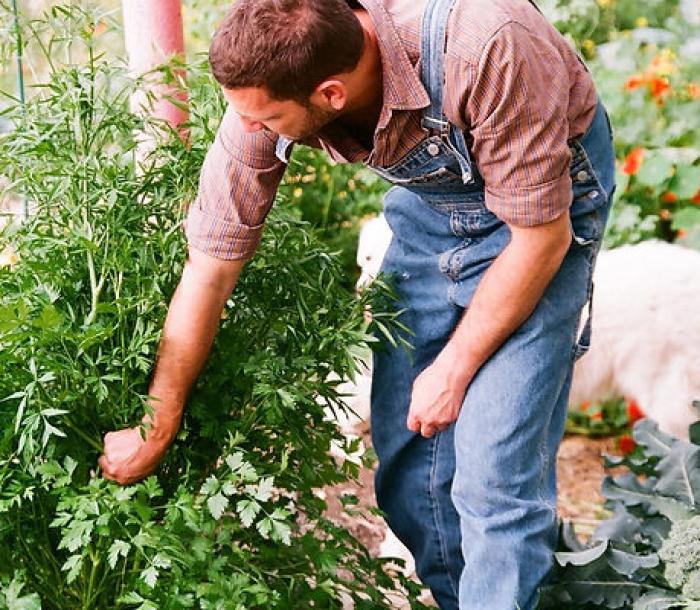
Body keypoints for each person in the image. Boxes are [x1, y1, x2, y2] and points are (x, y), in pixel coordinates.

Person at [98, 0, 616, 607]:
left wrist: (452, 369)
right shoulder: (270, 87)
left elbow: (539, 239)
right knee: (409, 475)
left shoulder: (485, 46)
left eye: (265, 119)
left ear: (331, 94)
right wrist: (158, 427)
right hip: (433, 211)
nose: (250, 129)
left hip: (541, 217)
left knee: (494, 479)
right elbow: (210, 266)